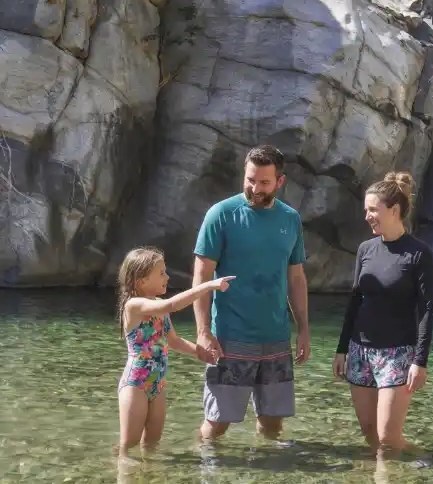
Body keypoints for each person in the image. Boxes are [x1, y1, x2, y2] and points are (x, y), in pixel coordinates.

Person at [192, 144, 310, 441]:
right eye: (250, 179)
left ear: (280, 182)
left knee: (272, 425)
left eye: (264, 182)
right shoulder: (221, 214)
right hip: (230, 339)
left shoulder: (290, 219)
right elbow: (202, 276)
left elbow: (296, 277)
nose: (255, 188)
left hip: (276, 339)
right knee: (217, 424)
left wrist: (304, 329)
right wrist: (203, 331)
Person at [332, 171, 433, 455]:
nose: (367, 216)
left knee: (388, 438)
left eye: (373, 210)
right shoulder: (365, 249)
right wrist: (342, 349)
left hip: (397, 354)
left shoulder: (419, 254)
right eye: (366, 210)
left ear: (394, 211)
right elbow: (355, 300)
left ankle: (421, 457)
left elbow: (427, 309)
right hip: (359, 352)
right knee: (370, 437)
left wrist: (420, 361)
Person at [116, 246, 235, 456]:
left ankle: (150, 476)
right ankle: (122, 473)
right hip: (136, 384)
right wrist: (207, 286)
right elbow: (172, 305)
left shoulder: (159, 305)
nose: (167, 276)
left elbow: (173, 341)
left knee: (152, 443)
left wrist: (200, 352)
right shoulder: (133, 306)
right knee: (129, 445)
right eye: (161, 273)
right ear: (141, 281)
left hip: (157, 383)